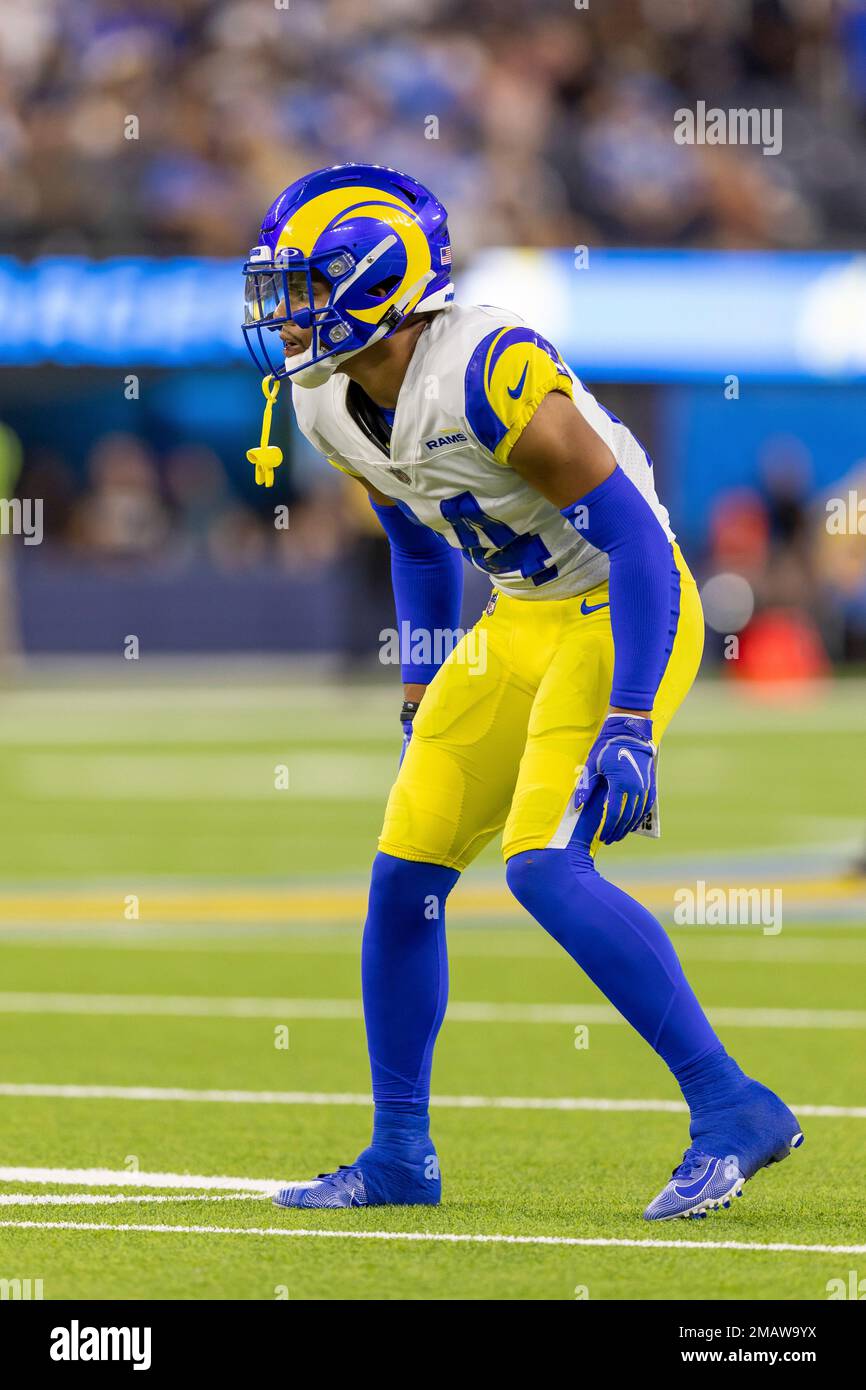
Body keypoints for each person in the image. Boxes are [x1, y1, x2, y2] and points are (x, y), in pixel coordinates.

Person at [242, 163, 803, 1220]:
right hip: (518, 617)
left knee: (543, 867)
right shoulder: (326, 397)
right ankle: (399, 1152)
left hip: (619, 605)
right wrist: (420, 671)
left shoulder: (487, 370)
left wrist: (631, 717)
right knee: (402, 876)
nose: (286, 312)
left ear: (374, 288)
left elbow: (636, 540)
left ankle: (732, 1105)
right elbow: (412, 532)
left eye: (306, 286)